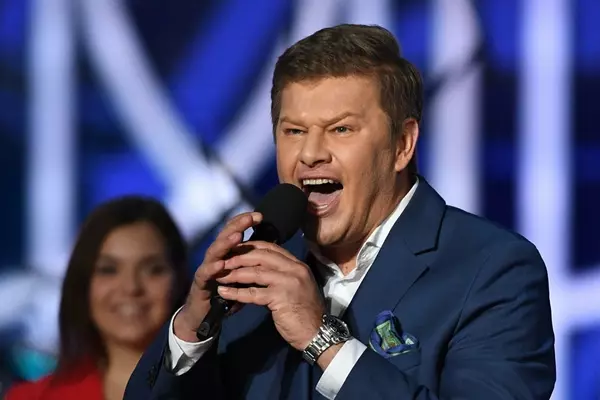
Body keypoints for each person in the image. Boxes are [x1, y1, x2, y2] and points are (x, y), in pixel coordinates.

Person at [125, 24, 555, 399]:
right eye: (294, 131)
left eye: (341, 129)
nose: (310, 153)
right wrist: (193, 328)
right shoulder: (251, 280)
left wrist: (323, 340)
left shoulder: (492, 269)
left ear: (402, 144)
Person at [6, 196, 190, 400]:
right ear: (82, 283)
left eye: (153, 270)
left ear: (180, 278)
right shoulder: (31, 397)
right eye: (108, 270)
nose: (131, 287)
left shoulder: (213, 389)